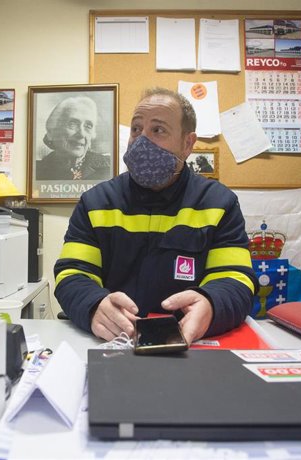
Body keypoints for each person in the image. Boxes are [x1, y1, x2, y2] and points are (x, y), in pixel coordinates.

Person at [53, 87, 257, 343]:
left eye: (157, 130)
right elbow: (72, 273)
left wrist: (211, 305)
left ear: (187, 143)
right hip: (110, 343)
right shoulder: (95, 203)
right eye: (136, 129)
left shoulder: (219, 204)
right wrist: (93, 305)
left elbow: (235, 278)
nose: (141, 140)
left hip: (188, 347)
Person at [36, 96, 112, 181]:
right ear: (52, 131)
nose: (82, 134)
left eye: (88, 126)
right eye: (72, 124)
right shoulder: (38, 171)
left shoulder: (108, 168)